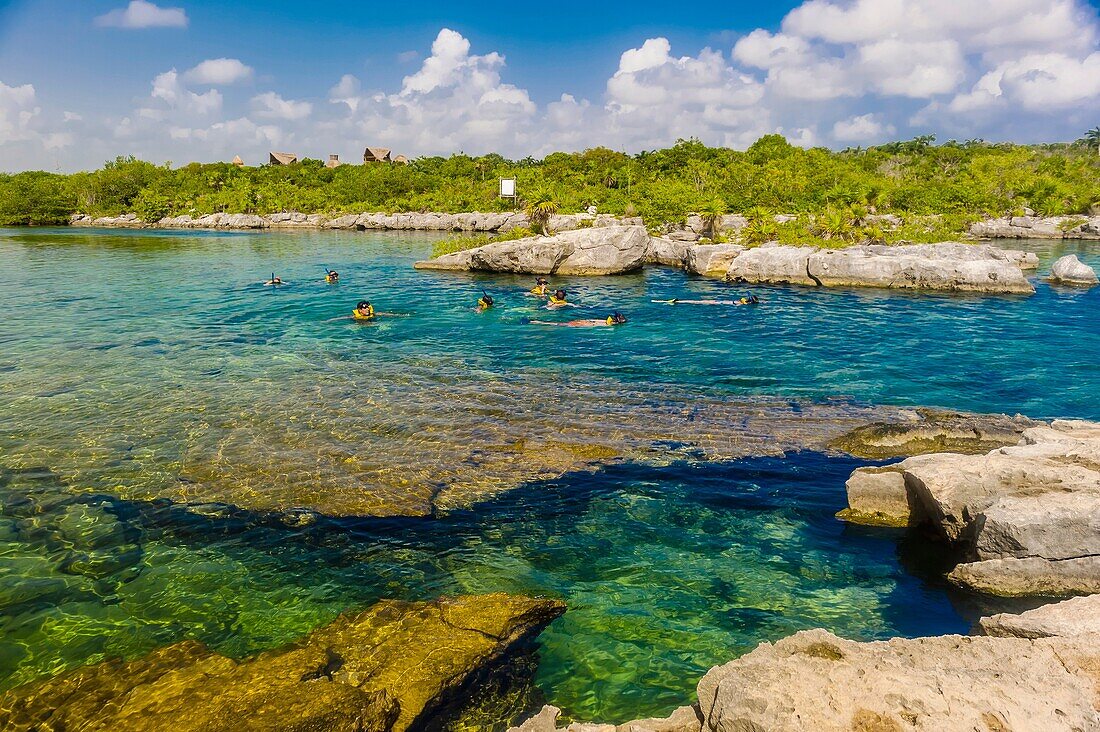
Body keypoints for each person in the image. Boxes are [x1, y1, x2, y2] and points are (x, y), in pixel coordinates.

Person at [528, 312, 627, 327]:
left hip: (582, 323)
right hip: (581, 324)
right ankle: (537, 322)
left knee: (558, 324)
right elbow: (591, 324)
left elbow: (592, 321)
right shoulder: (606, 324)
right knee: (558, 324)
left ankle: (537, 322)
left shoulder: (605, 322)